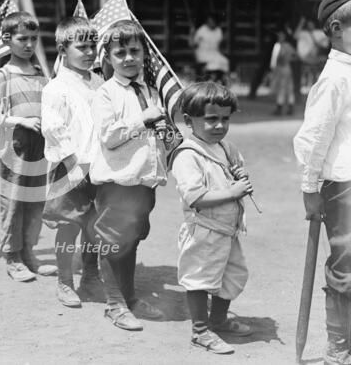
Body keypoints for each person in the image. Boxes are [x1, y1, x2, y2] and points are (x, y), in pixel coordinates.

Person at [90, 20, 169, 330]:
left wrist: (161, 128)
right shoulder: (106, 93)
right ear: (108, 58)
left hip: (143, 180)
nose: (128, 58)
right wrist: (144, 119)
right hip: (117, 181)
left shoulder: (150, 91)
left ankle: (130, 296)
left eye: (134, 51)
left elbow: (155, 133)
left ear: (144, 53)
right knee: (112, 240)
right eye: (119, 53)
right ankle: (114, 304)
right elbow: (109, 136)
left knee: (132, 240)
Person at [169, 82, 253, 355]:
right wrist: (233, 191)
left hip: (227, 228)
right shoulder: (187, 155)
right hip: (203, 229)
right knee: (200, 278)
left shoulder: (225, 147)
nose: (219, 125)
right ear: (189, 121)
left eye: (225, 119)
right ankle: (200, 331)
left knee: (231, 275)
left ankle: (218, 320)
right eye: (211, 119)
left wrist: (240, 176)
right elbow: (196, 197)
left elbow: (235, 171)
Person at [294, 0, 351, 365]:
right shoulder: (333, 79)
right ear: (337, 27)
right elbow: (314, 139)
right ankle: (339, 345)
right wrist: (310, 187)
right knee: (347, 266)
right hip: (343, 185)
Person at [0, 11, 57, 282]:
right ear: (8, 40)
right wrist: (21, 121)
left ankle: (29, 253)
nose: (29, 44)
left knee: (35, 202)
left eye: (33, 39)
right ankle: (12, 258)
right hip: (15, 147)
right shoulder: (4, 73)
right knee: (14, 202)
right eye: (22, 38)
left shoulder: (40, 72)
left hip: (39, 146)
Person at [41, 16, 104, 307]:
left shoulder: (100, 82)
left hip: (100, 165)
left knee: (95, 224)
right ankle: (65, 282)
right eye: (82, 46)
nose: (90, 52)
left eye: (93, 45)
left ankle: (91, 274)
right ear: (63, 50)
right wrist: (73, 162)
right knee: (69, 225)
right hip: (70, 167)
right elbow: (54, 129)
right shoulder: (56, 88)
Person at [294, 17, 330, 97]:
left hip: (314, 58)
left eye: (311, 24)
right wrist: (301, 22)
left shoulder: (318, 33)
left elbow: (326, 42)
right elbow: (295, 36)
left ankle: (316, 91)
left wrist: (319, 43)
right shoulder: (303, 33)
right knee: (310, 77)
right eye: (308, 25)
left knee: (315, 76)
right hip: (305, 58)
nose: (310, 26)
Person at [192, 14, 229, 86]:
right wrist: (192, 34)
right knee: (214, 62)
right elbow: (194, 43)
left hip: (214, 53)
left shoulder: (218, 30)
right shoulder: (202, 30)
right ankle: (211, 80)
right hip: (203, 52)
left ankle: (220, 81)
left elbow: (219, 44)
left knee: (224, 61)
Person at [270, 28, 298, 116]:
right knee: (288, 88)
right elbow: (296, 55)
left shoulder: (280, 46)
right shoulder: (286, 46)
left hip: (282, 68)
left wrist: (287, 59)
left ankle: (280, 108)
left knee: (282, 88)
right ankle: (290, 107)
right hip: (286, 68)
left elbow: (276, 60)